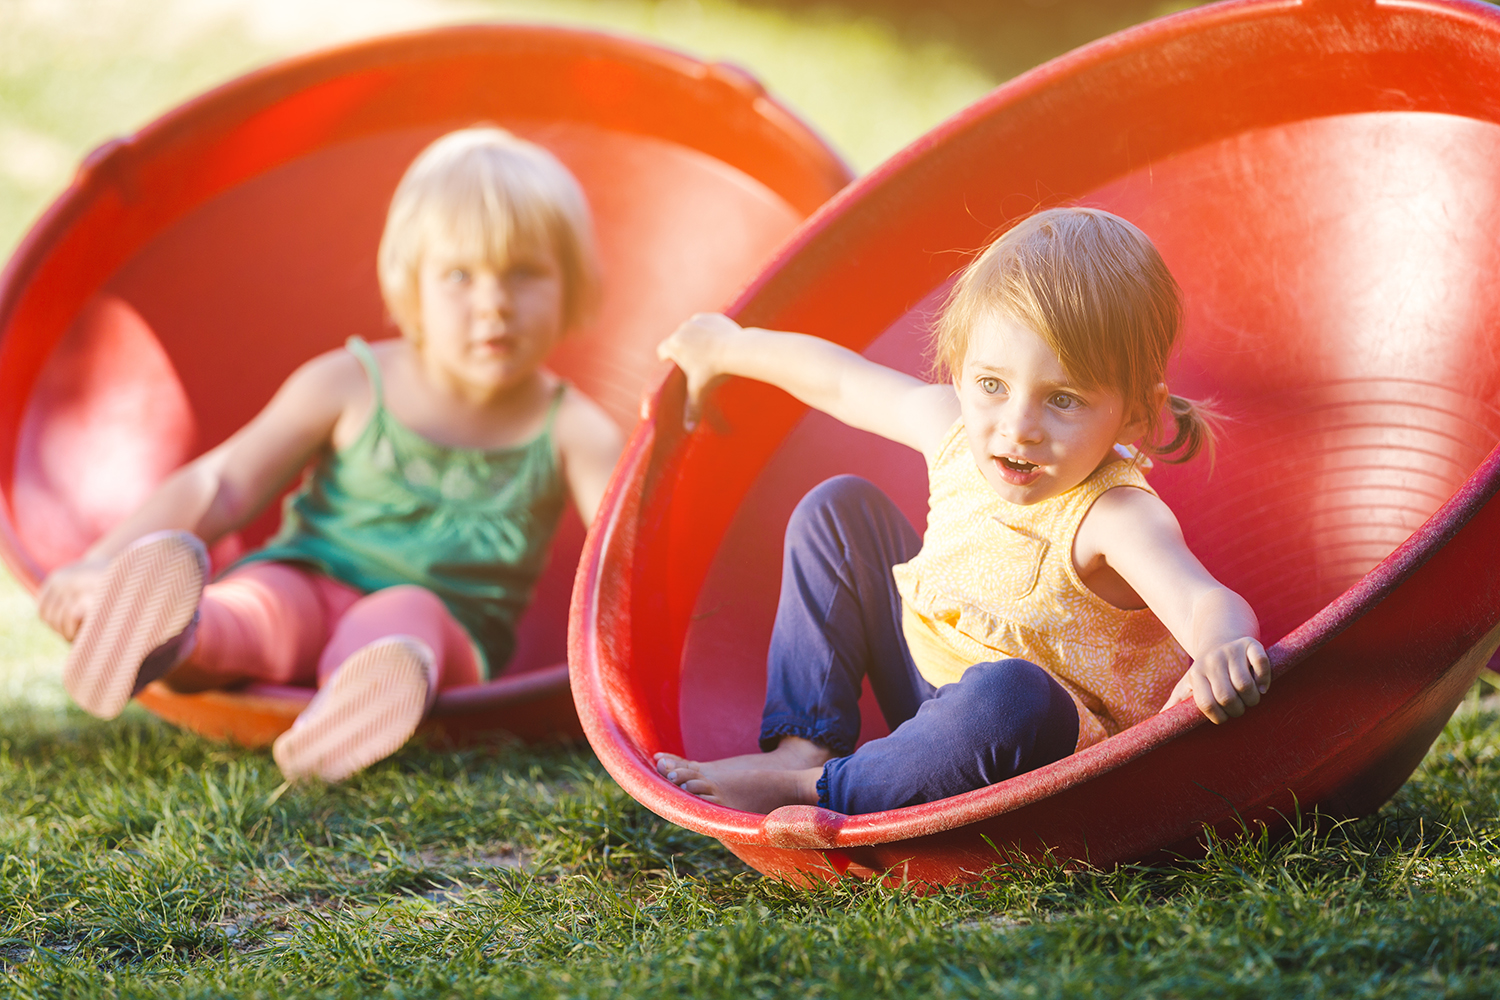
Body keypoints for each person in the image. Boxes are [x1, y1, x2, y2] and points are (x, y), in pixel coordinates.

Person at [37, 127, 623, 781]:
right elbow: (223, 483)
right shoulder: (348, 383)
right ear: (413, 288)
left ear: (572, 285)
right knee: (261, 604)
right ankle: (171, 638)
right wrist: (99, 561)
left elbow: (624, 565)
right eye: (460, 275)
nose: (494, 304)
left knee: (406, 616)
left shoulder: (574, 430)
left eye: (525, 273)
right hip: (308, 579)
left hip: (444, 631)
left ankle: (361, 698)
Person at [651, 206, 1270, 815]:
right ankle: (801, 746)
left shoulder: (1114, 513)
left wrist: (1221, 646)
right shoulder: (951, 425)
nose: (1016, 428)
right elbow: (838, 380)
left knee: (1013, 690)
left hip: (1030, 745)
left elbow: (1203, 600)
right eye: (992, 385)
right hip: (929, 693)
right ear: (964, 368)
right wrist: (729, 347)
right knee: (838, 510)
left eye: (1063, 399)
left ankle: (809, 789)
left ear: (1135, 412)